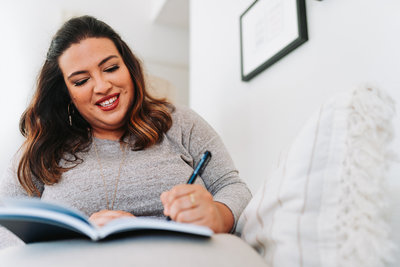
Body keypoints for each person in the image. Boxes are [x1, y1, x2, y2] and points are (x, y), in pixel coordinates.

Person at [0, 15, 251, 249]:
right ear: (67, 93)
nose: (103, 86)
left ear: (129, 67)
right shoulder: (42, 149)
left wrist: (218, 214)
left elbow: (232, 186)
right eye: (81, 81)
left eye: (110, 68)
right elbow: (4, 225)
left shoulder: (179, 121)